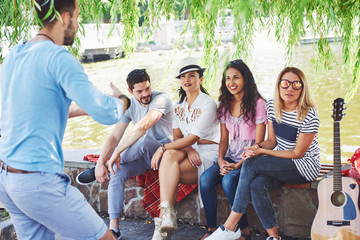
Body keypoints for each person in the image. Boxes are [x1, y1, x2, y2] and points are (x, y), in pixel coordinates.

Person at [0, 0, 129, 239]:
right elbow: (106, 112)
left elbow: (33, 109)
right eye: (78, 17)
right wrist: (123, 101)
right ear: (65, 18)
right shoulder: (59, 57)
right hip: (38, 181)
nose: (78, 25)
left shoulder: (13, 57)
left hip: (8, 180)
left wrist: (84, 109)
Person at [207, 67, 320, 240]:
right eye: (285, 83)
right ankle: (274, 237)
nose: (289, 88)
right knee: (256, 184)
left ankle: (230, 226)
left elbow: (297, 153)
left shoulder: (309, 115)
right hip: (283, 164)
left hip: (304, 166)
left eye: (296, 84)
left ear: (302, 88)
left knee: (253, 164)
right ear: (278, 86)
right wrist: (256, 148)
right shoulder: (272, 107)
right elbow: (272, 141)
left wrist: (262, 152)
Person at [76, 69, 173, 240]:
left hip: (165, 153)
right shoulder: (131, 105)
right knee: (116, 171)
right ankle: (114, 228)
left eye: (147, 89)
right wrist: (101, 162)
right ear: (130, 92)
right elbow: (114, 136)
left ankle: (107, 163)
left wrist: (116, 154)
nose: (145, 94)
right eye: (140, 91)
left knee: (142, 140)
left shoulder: (161, 99)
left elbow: (143, 126)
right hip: (145, 158)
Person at [150, 57, 220, 239]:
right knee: (170, 157)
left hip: (208, 153)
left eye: (192, 75)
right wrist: (188, 149)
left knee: (168, 170)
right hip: (190, 150)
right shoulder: (178, 106)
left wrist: (162, 148)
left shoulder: (208, 104)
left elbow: (193, 138)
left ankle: (162, 226)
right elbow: (178, 137)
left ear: (201, 79)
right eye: (183, 77)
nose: (187, 80)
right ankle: (166, 218)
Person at [199, 59, 267, 240]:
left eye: (236, 77)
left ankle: (244, 230)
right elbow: (223, 140)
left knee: (229, 181)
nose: (231, 83)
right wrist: (221, 160)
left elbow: (258, 144)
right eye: (228, 78)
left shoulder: (258, 104)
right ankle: (212, 228)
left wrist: (238, 164)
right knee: (205, 179)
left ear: (245, 78)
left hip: (250, 159)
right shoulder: (224, 105)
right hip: (230, 156)